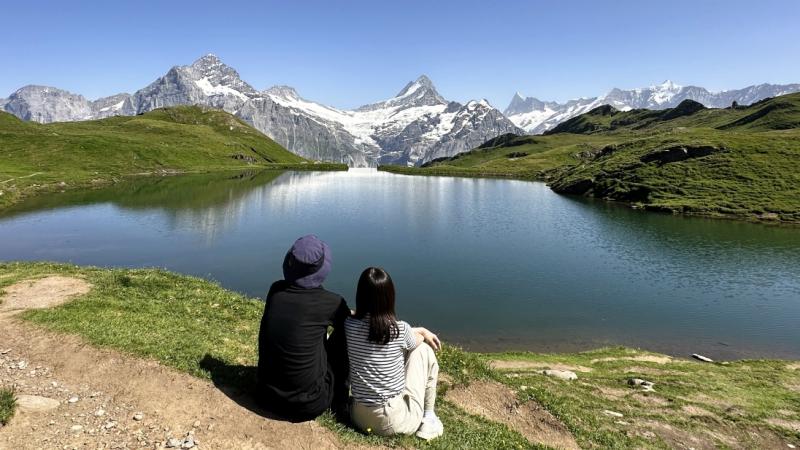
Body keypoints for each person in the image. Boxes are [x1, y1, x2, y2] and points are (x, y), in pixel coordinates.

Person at [256, 235, 350, 421]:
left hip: (265, 395)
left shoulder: (276, 291)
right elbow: (350, 322)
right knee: (346, 332)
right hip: (310, 403)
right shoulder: (332, 303)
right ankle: (341, 399)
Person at [344, 267, 444, 440]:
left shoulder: (349, 325)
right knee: (424, 351)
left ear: (360, 295)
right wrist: (423, 331)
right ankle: (429, 418)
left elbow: (356, 315)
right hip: (391, 421)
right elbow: (416, 341)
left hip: (357, 415)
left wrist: (417, 330)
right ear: (389, 297)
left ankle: (426, 417)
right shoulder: (399, 330)